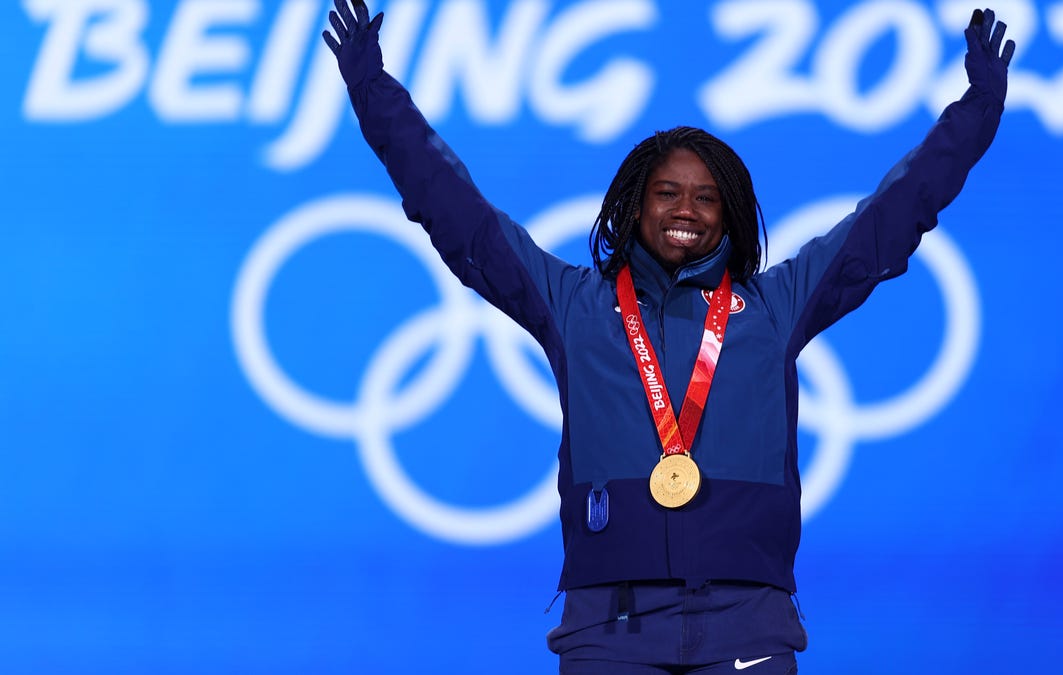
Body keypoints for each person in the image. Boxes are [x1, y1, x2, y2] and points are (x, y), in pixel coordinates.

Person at [322, 2, 1015, 672]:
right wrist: (373, 92)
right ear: (634, 204)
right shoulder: (575, 305)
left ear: (729, 214)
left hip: (748, 621)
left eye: (707, 196)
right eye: (667, 192)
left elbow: (892, 215)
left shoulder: (775, 307)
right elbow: (458, 214)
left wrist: (977, 112)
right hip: (607, 630)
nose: (687, 209)